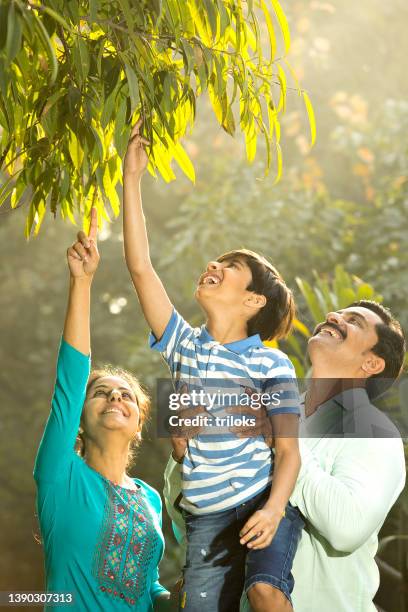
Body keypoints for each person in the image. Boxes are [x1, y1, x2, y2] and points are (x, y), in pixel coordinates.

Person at [122, 120, 303, 612]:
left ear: (251, 300)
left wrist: (274, 508)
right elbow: (140, 268)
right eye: (215, 261)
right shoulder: (183, 344)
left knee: (265, 593)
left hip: (259, 501)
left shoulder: (272, 362)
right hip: (204, 518)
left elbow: (288, 452)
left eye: (231, 267)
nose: (214, 266)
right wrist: (131, 179)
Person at [164, 300, 407, 612]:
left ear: (372, 364)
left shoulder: (376, 432)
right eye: (338, 313)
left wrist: (284, 440)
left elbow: (347, 527)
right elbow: (188, 527)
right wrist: (184, 458)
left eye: (355, 321)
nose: (331, 315)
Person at [34, 208, 170, 611]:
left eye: (126, 394)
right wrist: (82, 281)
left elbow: (149, 588)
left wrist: (180, 594)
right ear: (79, 416)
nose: (115, 398)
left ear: (140, 421)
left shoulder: (150, 498)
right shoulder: (61, 473)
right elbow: (71, 377)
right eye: (101, 393)